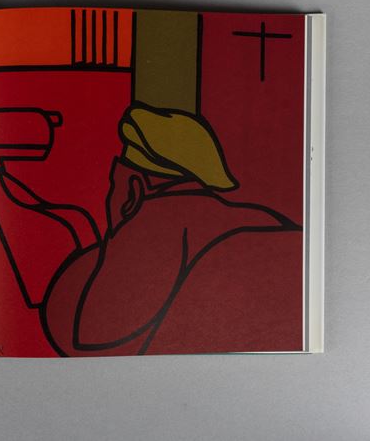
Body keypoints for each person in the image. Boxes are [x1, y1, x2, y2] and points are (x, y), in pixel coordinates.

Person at [40, 104, 303, 356]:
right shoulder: (262, 219)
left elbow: (93, 336)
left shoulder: (152, 224)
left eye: (114, 182)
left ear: (133, 190)